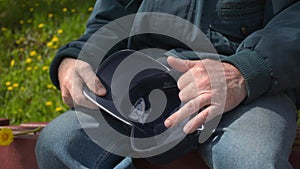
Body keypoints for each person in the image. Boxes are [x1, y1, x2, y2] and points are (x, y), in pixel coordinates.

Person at [35, 0, 300, 168]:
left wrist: (243, 72)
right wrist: (77, 56)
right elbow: (111, 16)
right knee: (59, 143)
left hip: (251, 87)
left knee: (251, 161)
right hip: (146, 82)